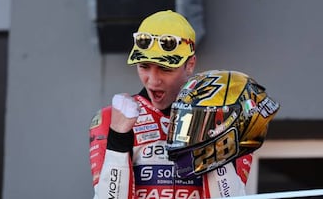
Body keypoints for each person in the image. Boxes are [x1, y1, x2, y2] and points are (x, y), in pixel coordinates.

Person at [89, 10, 254, 199]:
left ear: (190, 64)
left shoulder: (228, 119)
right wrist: (118, 138)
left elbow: (231, 197)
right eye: (144, 66)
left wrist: (212, 140)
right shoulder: (110, 118)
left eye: (165, 69)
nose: (153, 80)